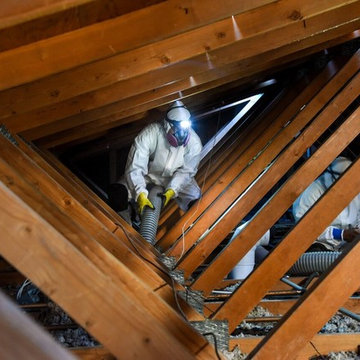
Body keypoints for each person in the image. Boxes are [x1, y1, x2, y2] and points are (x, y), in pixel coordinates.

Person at [108, 101, 202, 217]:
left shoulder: (194, 143)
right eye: (177, 129)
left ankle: (189, 229)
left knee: (196, 200)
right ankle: (128, 222)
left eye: (185, 129)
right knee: (118, 195)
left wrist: (173, 188)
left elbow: (186, 172)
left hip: (174, 177)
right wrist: (140, 193)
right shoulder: (150, 134)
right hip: (147, 175)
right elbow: (135, 168)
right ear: (168, 125)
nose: (181, 134)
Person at [292, 156, 360, 251]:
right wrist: (341, 234)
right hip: (320, 247)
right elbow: (306, 228)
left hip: (346, 246)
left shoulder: (355, 191)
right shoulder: (310, 194)